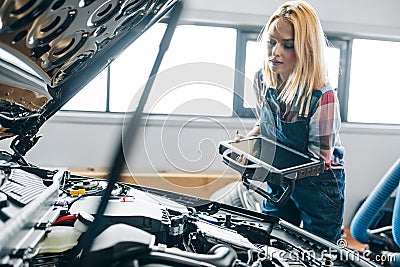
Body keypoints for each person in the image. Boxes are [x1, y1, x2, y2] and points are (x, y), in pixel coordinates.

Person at [236, 0, 345, 243]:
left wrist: (268, 164)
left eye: (287, 45)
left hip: (319, 185)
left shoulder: (322, 96)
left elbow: (318, 161)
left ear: (306, 50)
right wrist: (250, 143)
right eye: (272, 42)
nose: (275, 52)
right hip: (280, 177)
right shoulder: (263, 79)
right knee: (271, 239)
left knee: (318, 247)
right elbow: (265, 129)